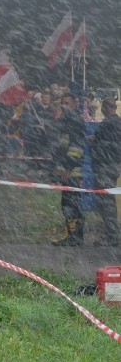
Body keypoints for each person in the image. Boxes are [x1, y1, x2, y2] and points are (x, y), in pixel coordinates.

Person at [51, 92, 86, 246]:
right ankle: (71, 235)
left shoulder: (75, 121)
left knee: (73, 205)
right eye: (62, 103)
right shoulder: (66, 121)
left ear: (74, 104)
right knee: (66, 205)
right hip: (66, 172)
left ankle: (76, 238)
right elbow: (61, 146)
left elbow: (77, 147)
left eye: (67, 103)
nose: (64, 106)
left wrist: (67, 168)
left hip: (72, 172)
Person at [90, 97, 121, 246]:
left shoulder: (108, 124)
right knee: (107, 200)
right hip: (113, 165)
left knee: (106, 202)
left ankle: (111, 236)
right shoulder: (118, 123)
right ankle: (111, 234)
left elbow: (104, 145)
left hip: (104, 166)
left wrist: (94, 143)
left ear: (105, 108)